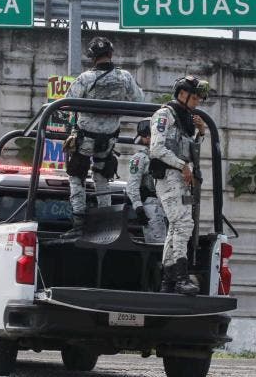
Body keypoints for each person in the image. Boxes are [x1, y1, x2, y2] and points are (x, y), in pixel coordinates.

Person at [63, 36, 144, 238]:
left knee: (76, 177)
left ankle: (79, 223)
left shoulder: (85, 78)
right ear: (111, 54)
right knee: (102, 177)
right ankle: (105, 222)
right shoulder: (124, 77)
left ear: (92, 57)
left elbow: (67, 102)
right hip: (109, 138)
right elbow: (139, 100)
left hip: (85, 139)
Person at [149, 75, 210, 295]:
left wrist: (201, 132)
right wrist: (182, 165)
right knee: (184, 224)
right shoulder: (164, 115)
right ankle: (182, 278)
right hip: (168, 176)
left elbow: (190, 149)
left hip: (181, 179)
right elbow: (156, 149)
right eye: (195, 98)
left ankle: (168, 281)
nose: (197, 103)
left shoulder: (185, 118)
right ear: (182, 94)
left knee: (176, 227)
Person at [126, 118, 166, 244]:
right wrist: (139, 208)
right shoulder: (141, 157)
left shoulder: (141, 157)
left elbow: (132, 186)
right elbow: (132, 186)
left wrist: (138, 207)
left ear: (148, 137)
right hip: (155, 206)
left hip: (162, 206)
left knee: (165, 247)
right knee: (159, 246)